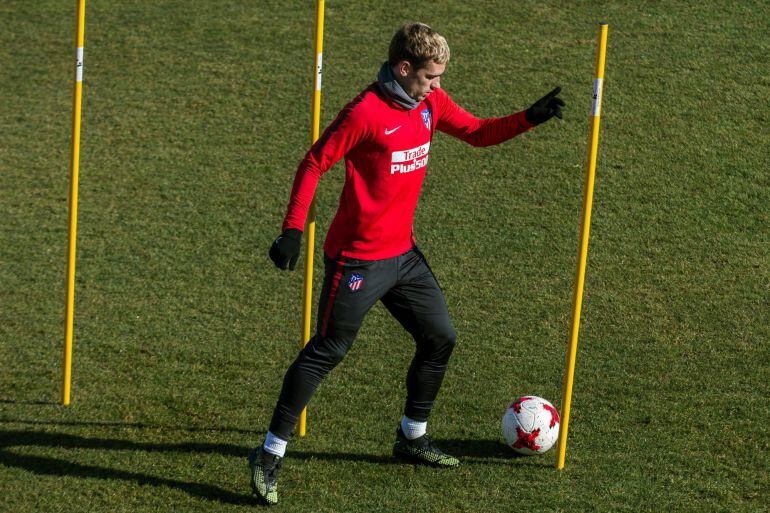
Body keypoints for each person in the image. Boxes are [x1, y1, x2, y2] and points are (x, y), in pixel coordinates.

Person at [250, 22, 565, 506]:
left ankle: (411, 436)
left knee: (440, 337)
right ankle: (270, 453)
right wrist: (292, 229)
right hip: (357, 261)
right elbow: (314, 162)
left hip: (403, 256)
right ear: (404, 69)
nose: (438, 85)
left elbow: (478, 133)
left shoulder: (429, 103)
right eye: (431, 76)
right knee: (328, 351)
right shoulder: (365, 113)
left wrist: (529, 117)